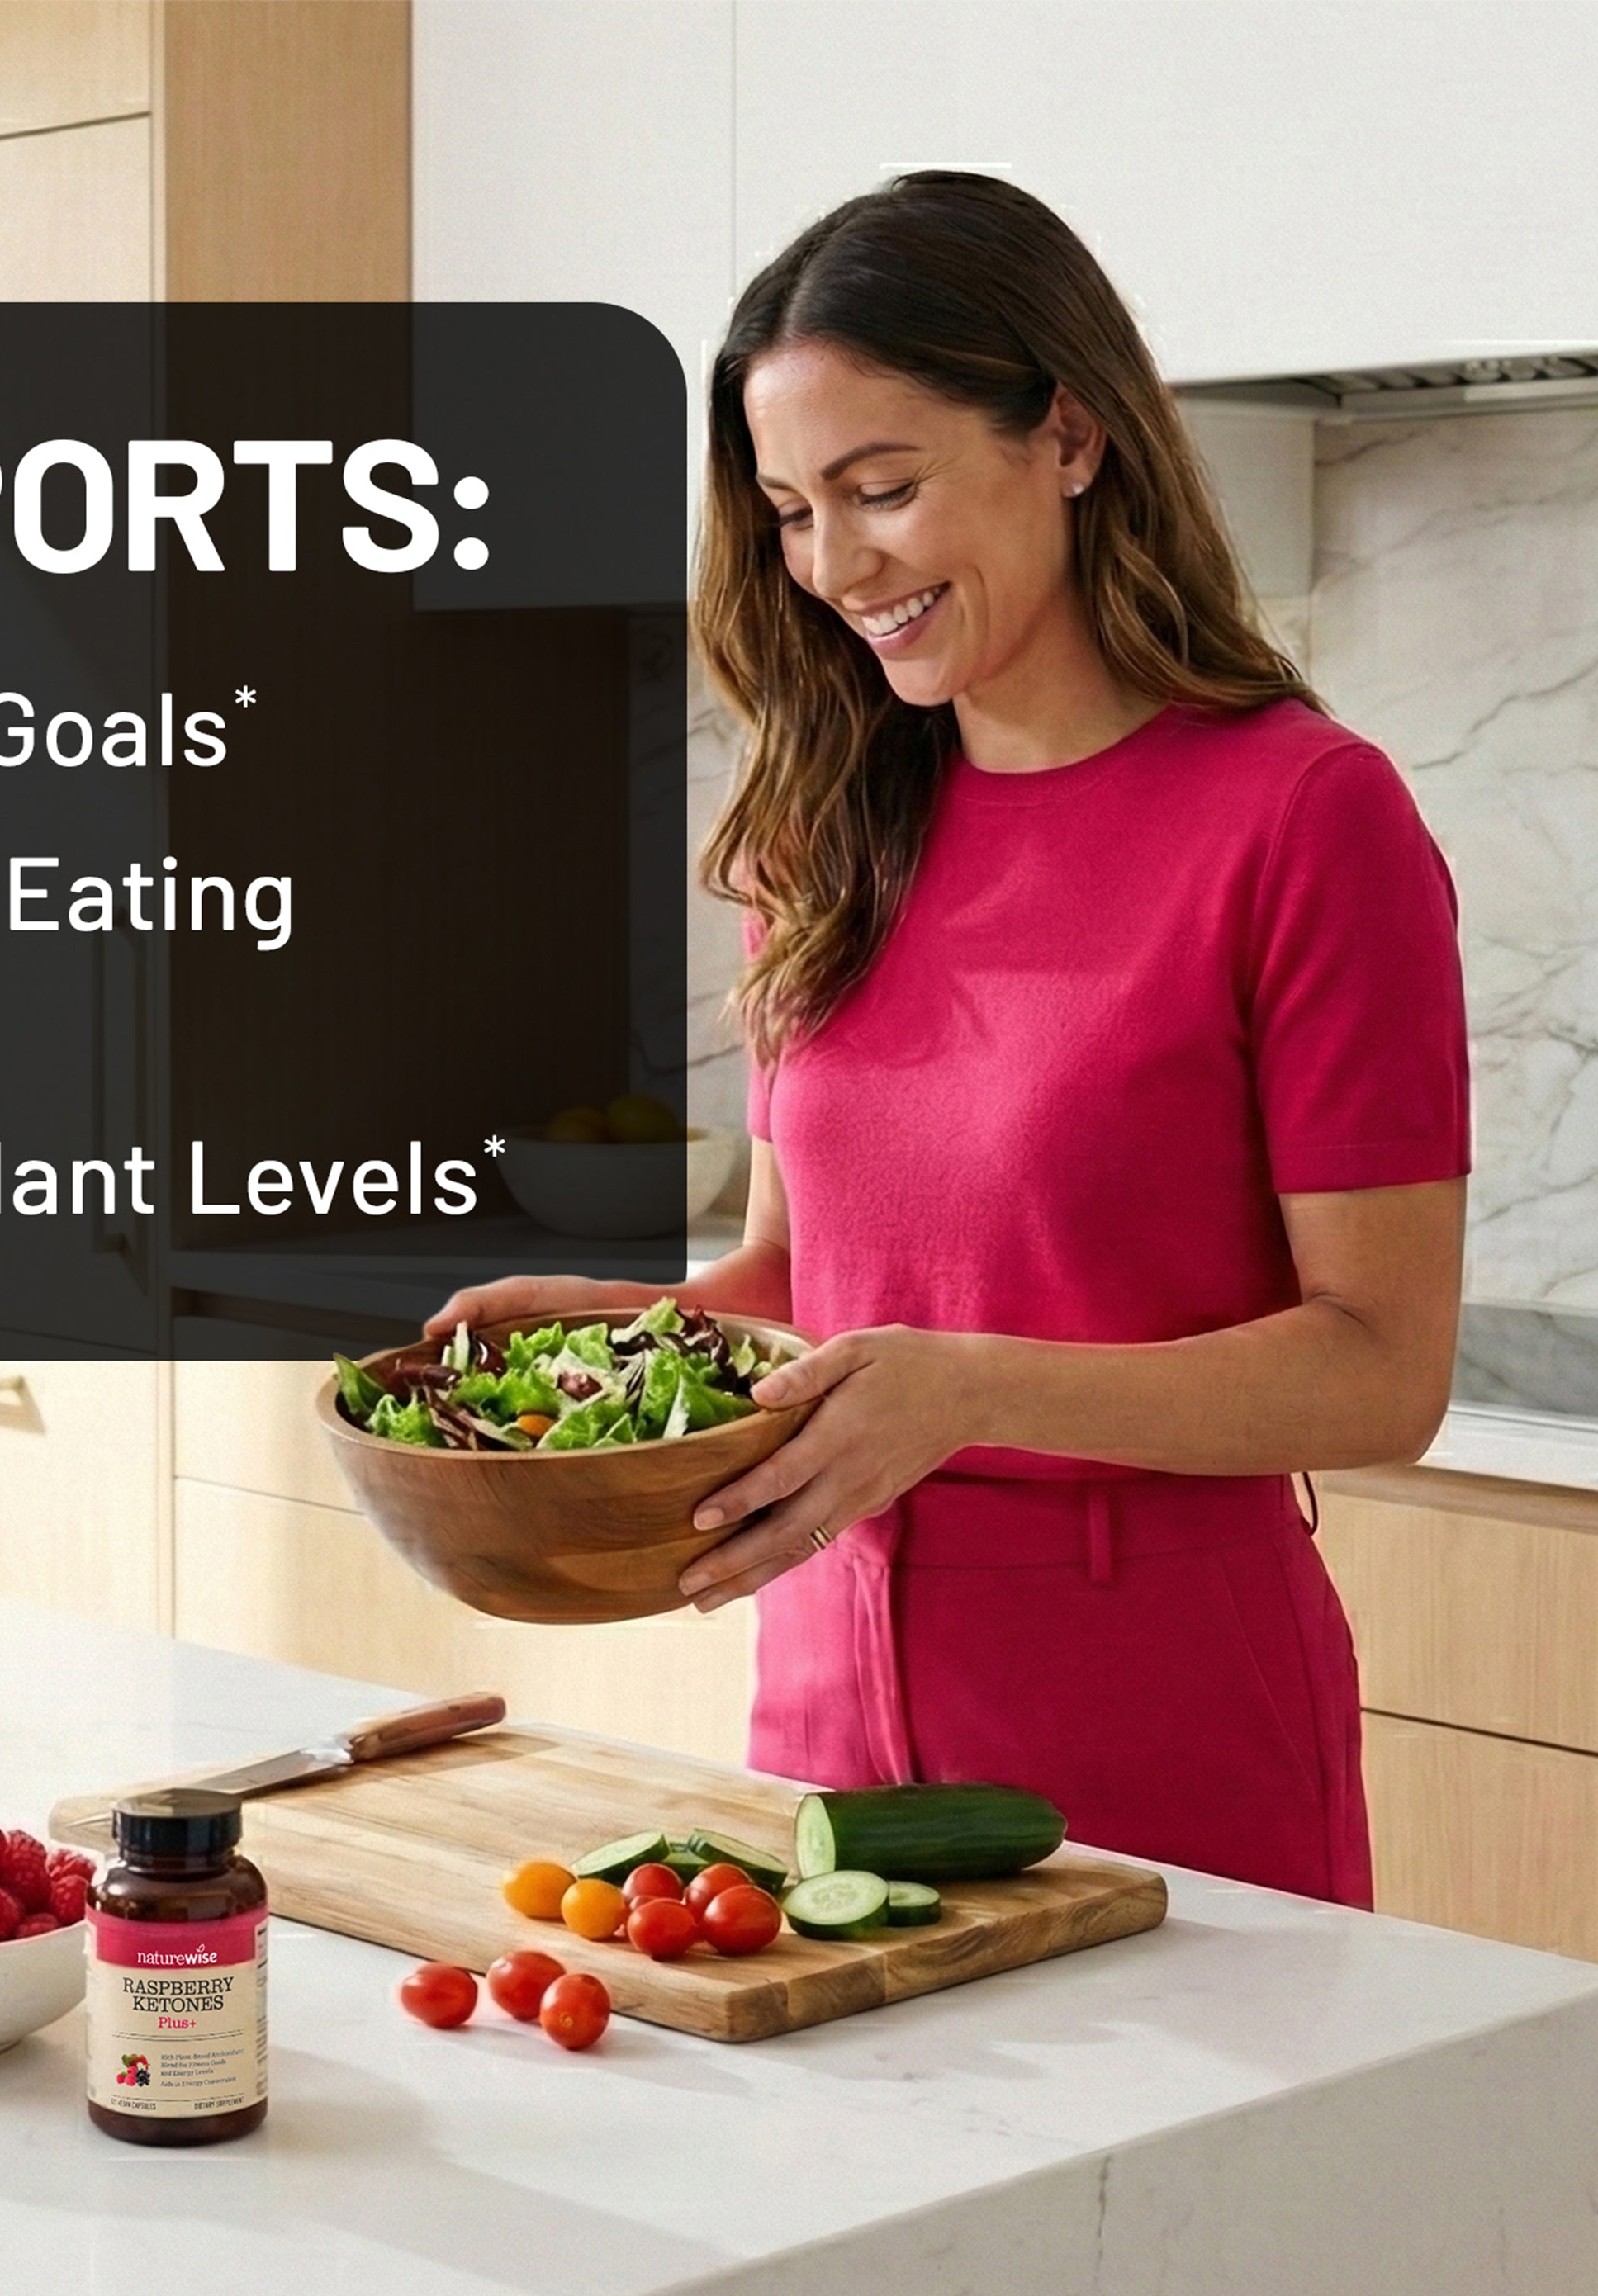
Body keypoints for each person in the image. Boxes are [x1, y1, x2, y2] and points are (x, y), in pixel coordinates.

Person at [434, 173, 1468, 1905]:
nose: (835, 568)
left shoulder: (1300, 816)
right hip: (824, 1710)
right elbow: (805, 1275)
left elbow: (1385, 1367)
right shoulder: (826, 832)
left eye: (882, 489)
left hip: (1163, 1725)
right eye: (786, 511)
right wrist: (630, 1343)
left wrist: (966, 1388)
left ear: (1067, 435)